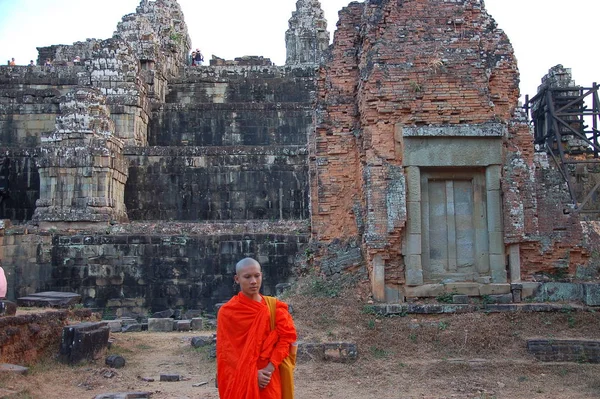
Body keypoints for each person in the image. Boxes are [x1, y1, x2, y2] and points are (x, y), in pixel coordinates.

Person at [217, 257, 297, 399]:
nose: (253, 281)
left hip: (269, 379)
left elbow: (286, 339)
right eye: (247, 277)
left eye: (257, 276)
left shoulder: (273, 307)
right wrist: (253, 374)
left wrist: (268, 369)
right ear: (237, 279)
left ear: (262, 275)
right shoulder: (227, 312)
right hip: (241, 378)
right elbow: (227, 354)